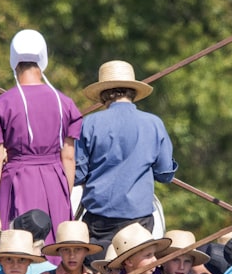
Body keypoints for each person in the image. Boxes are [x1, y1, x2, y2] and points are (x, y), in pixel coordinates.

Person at [0, 29, 82, 245]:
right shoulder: (65, 103)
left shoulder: (2, 103)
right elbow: (68, 158)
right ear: (43, 59)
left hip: (17, 179)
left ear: (13, 60)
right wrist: (64, 197)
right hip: (56, 181)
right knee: (57, 245)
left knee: (14, 247)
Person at [75, 60, 177, 253]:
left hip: (99, 218)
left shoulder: (89, 124)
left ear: (103, 94)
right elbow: (165, 174)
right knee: (135, 273)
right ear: (133, 91)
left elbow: (77, 175)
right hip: (139, 217)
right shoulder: (154, 123)